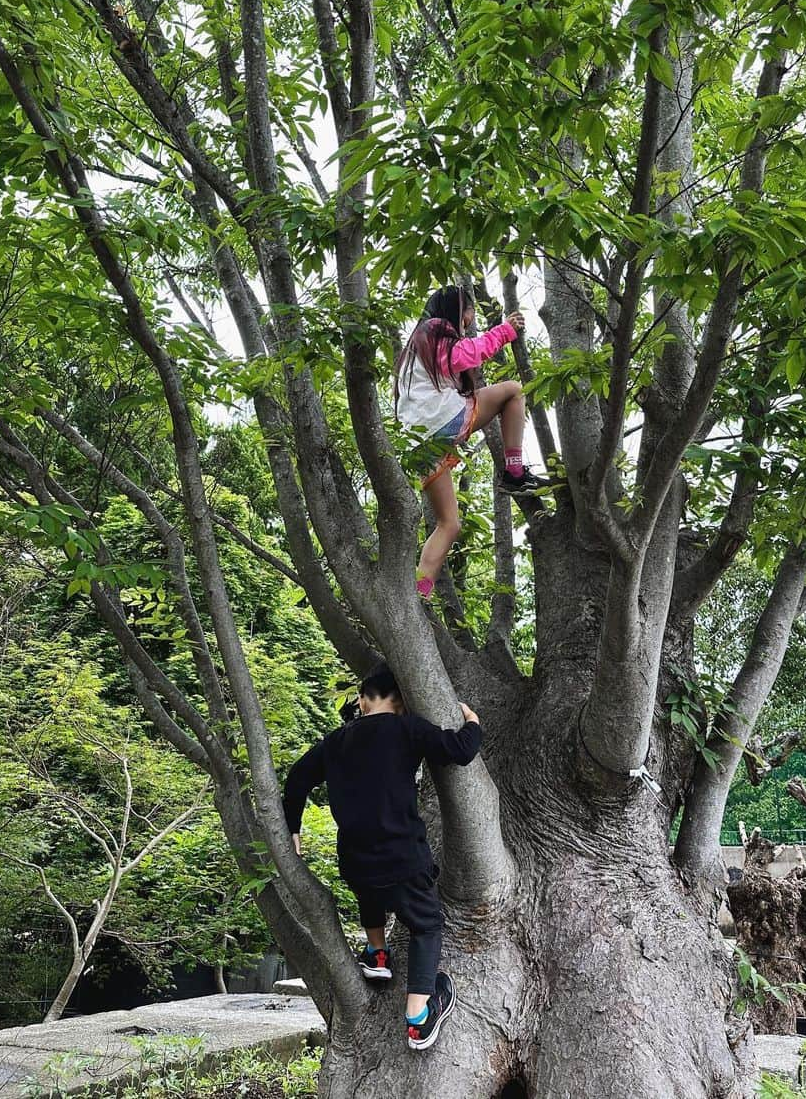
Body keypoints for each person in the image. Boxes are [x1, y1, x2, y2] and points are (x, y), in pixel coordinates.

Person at [282, 665, 481, 1051]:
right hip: (402, 857)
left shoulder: (336, 740)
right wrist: (471, 721)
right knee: (426, 924)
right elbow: (460, 750)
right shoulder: (407, 728)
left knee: (368, 894)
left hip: (356, 861)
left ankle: (377, 953)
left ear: (362, 698)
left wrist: (293, 827)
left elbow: (297, 778)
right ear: (402, 701)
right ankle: (419, 1016)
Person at [395, 285, 544, 600]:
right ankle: (515, 473)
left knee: (449, 524)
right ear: (457, 310)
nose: (467, 325)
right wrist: (504, 332)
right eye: (467, 317)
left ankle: (419, 592)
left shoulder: (414, 347)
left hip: (419, 445)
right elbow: (464, 356)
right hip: (441, 422)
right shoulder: (435, 329)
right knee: (514, 390)